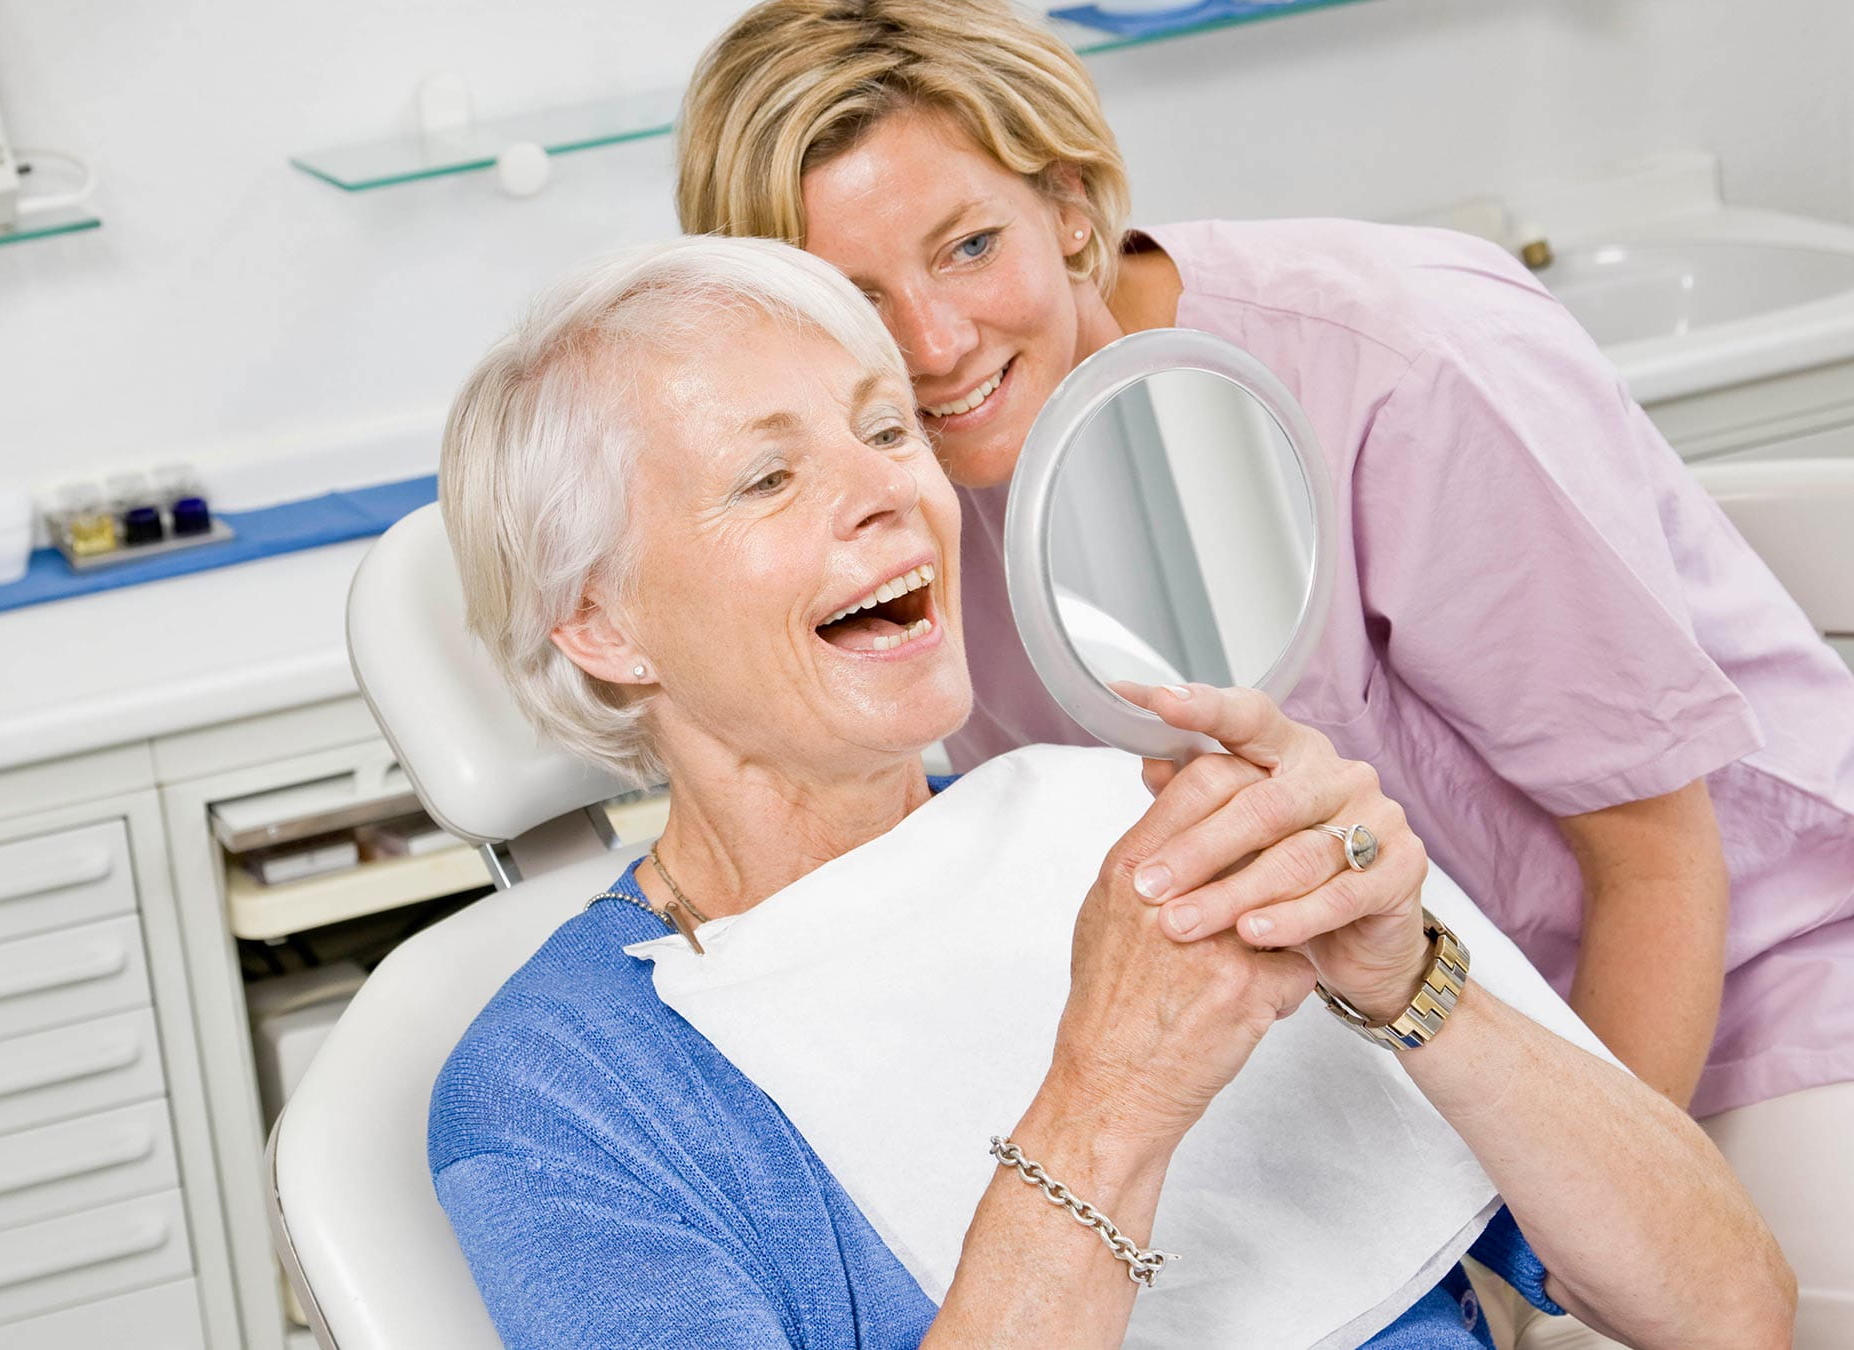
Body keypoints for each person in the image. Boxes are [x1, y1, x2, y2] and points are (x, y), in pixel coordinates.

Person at [674, 4, 1854, 1341]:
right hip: (1397, 1077)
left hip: (1746, 1000)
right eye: (861, 300)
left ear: (1067, 202)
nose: (937, 345)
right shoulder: (924, 512)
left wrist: (1557, 1278)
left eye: (971, 245)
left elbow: (1654, 857)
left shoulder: (1396, 369)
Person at [427, 235, 1790, 1350]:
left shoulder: (1137, 818)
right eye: (771, 475)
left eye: (887, 428)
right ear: (599, 626)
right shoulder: (564, 1094)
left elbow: (1729, 1307)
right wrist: (1111, 1095)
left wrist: (1412, 981)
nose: (891, 496)